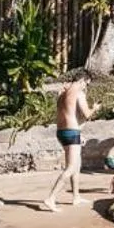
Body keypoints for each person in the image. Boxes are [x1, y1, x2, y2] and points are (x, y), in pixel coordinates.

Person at [41, 74, 93, 211]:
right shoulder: (79, 93)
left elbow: (66, 114)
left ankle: (76, 197)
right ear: (83, 80)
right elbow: (87, 114)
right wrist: (96, 108)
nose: (86, 87)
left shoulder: (62, 94)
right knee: (71, 167)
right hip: (72, 132)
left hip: (61, 132)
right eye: (87, 84)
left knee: (77, 164)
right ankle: (51, 198)